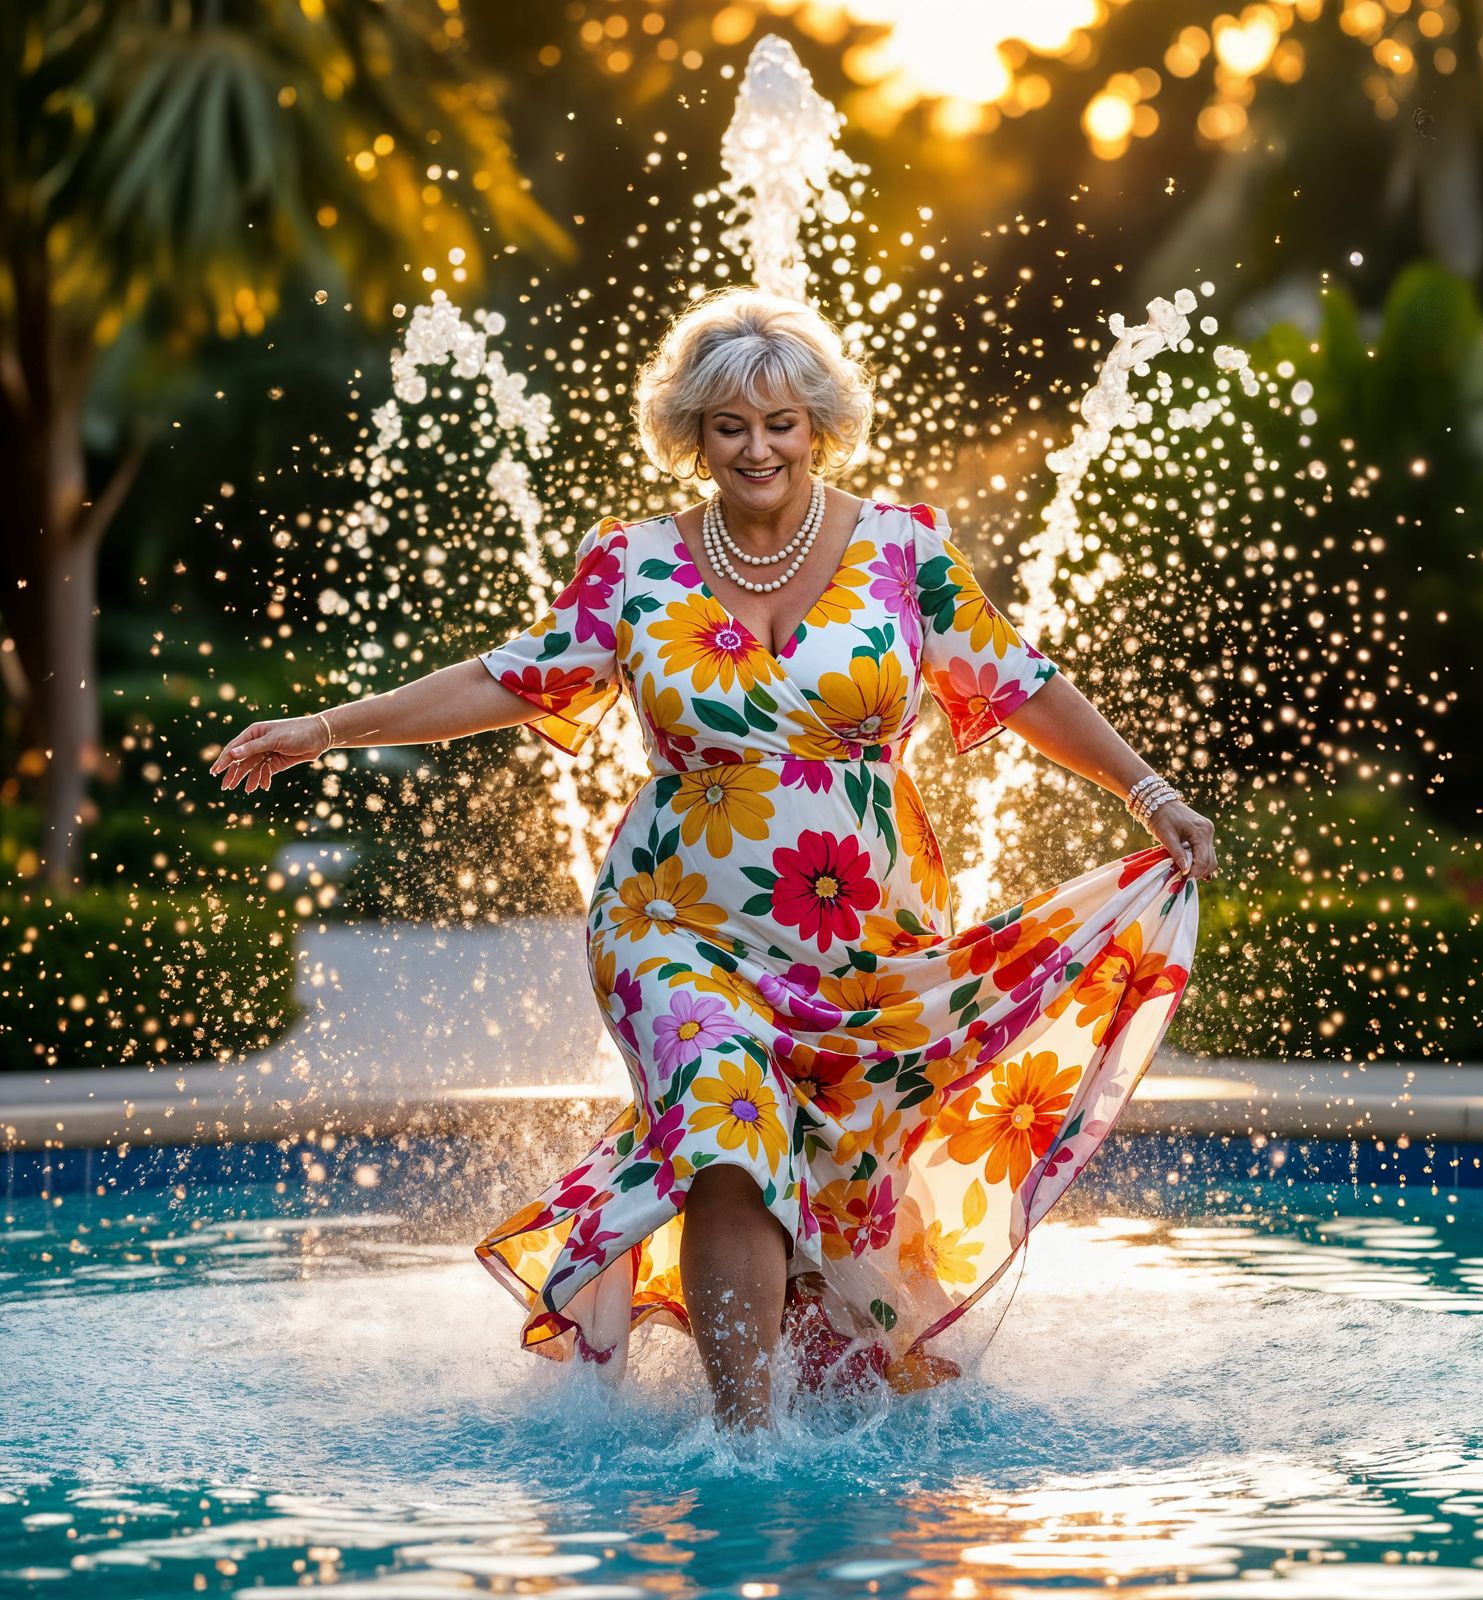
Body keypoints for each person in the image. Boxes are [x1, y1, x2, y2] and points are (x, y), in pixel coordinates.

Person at [210, 286, 1214, 1433]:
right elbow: (501, 678)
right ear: (691, 432)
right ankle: (747, 1444)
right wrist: (327, 727)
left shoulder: (902, 548)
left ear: (819, 427)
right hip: (669, 922)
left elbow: (1020, 682)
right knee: (728, 1119)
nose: (756, 447)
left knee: (842, 1175)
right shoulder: (633, 564)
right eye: (729, 425)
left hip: (864, 941)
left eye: (780, 423)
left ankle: (813, 1366)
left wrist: (1148, 789)